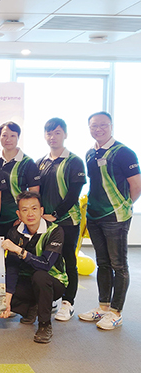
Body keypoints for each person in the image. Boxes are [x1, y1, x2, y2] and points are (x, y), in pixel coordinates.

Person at [78, 111, 141, 330]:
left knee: (119, 265)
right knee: (102, 263)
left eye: (103, 125)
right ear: (89, 128)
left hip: (115, 218)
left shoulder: (124, 152)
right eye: (94, 126)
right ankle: (103, 307)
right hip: (94, 216)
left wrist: (124, 206)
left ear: (111, 126)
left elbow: (136, 185)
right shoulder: (89, 153)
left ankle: (116, 312)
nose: (98, 129)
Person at [0, 191, 67, 344]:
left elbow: (45, 264)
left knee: (40, 276)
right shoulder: (14, 232)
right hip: (27, 280)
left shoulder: (55, 231)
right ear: (19, 214)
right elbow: (12, 268)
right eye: (25, 210)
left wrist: (19, 250)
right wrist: (7, 301)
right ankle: (31, 308)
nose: (30, 213)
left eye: (34, 208)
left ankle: (44, 325)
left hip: (53, 282)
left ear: (41, 211)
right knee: (1, 286)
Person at [36, 118, 86, 322]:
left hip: (66, 221)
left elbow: (74, 194)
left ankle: (68, 302)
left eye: (57, 132)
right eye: (49, 133)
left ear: (65, 134)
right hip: (44, 222)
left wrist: (55, 214)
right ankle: (53, 297)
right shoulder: (41, 162)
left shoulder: (74, 161)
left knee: (68, 260)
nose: (52, 137)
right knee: (47, 260)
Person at [0, 121, 40, 238]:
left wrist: (23, 218)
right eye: (4, 135)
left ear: (18, 137)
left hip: (16, 219)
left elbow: (34, 194)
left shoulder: (27, 163)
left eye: (13, 136)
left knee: (15, 255)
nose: (8, 139)